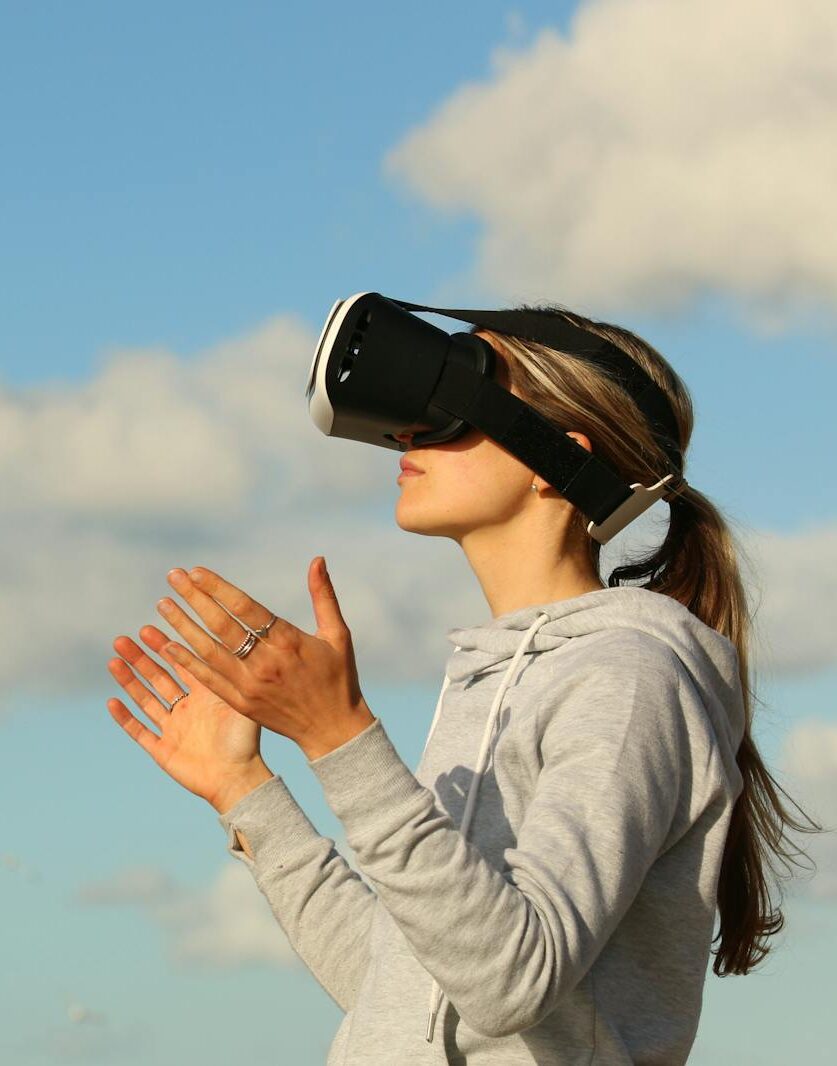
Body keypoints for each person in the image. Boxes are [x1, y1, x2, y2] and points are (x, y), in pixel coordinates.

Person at [107, 303, 822, 1064]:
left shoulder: (628, 677)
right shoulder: (489, 679)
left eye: (451, 401)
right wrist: (244, 790)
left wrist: (337, 735)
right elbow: (407, 994)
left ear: (557, 457)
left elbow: (513, 983)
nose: (406, 430)